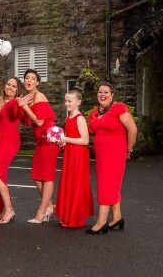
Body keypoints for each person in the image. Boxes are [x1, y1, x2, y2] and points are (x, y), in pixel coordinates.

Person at [86, 81, 137, 234]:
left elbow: (133, 130)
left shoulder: (119, 109)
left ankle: (102, 222)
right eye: (100, 92)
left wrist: (129, 149)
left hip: (116, 152)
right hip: (101, 154)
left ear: (112, 95)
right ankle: (117, 217)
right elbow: (89, 130)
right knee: (110, 184)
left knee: (106, 184)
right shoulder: (95, 113)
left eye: (106, 92)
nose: (102, 94)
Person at [19, 69, 60, 224]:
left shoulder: (40, 96)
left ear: (38, 82)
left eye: (33, 78)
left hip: (49, 141)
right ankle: (49, 206)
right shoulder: (28, 98)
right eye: (27, 78)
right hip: (40, 142)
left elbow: (39, 122)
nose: (29, 80)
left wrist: (24, 106)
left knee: (47, 177)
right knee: (37, 176)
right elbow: (27, 122)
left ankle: (41, 212)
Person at [0, 77, 32, 224]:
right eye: (8, 84)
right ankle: (4, 208)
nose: (10, 87)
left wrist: (20, 106)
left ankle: (9, 209)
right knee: (0, 175)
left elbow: (18, 115)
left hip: (9, 141)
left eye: (14, 86)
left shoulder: (15, 102)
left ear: (17, 90)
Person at [54, 88, 94, 228]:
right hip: (70, 153)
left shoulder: (80, 118)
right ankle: (67, 215)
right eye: (65, 100)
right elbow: (71, 137)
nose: (67, 103)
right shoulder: (69, 117)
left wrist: (66, 138)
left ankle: (75, 218)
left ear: (78, 102)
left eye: (70, 101)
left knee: (76, 183)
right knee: (69, 182)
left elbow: (85, 141)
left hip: (78, 155)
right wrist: (62, 141)